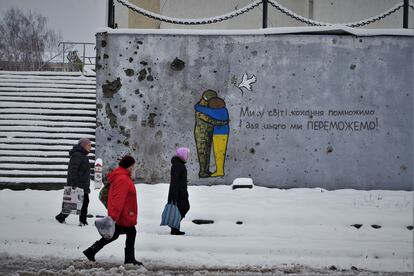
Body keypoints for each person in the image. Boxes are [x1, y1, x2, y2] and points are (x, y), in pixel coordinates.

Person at [83, 155, 142, 266]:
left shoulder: (122, 176)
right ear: (128, 166)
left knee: (114, 234)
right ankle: (129, 259)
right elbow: (118, 199)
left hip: (124, 212)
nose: (134, 167)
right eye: (133, 165)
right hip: (123, 213)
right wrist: (114, 216)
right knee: (131, 232)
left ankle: (91, 251)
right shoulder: (123, 179)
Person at [55, 138, 92, 226]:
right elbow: (73, 170)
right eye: (89, 145)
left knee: (81, 202)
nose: (90, 147)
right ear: (83, 145)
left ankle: (63, 217)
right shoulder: (77, 155)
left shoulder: (82, 155)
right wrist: (74, 184)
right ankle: (82, 221)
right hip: (78, 185)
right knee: (78, 202)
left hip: (82, 185)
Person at [167, 147, 190, 235]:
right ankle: (174, 228)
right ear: (182, 154)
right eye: (187, 154)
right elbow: (175, 181)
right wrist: (175, 195)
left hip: (181, 191)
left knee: (181, 209)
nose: (187, 156)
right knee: (183, 208)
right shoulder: (177, 165)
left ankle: (175, 228)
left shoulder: (179, 164)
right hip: (178, 193)